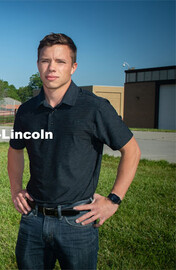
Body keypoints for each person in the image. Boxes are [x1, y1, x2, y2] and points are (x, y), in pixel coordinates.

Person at [7, 33, 141, 269]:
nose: (52, 68)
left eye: (60, 62)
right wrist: (16, 188)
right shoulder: (26, 111)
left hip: (77, 222)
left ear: (73, 67)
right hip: (33, 219)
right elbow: (15, 150)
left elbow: (131, 151)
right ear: (38, 64)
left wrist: (113, 200)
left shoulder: (95, 107)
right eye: (45, 60)